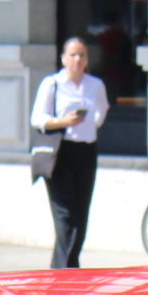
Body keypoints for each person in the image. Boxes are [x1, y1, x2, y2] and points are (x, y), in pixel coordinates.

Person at [30, 36, 108, 269]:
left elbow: (102, 109)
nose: (77, 59)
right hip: (60, 153)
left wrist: (91, 123)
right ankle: (68, 273)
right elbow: (37, 119)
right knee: (65, 217)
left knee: (80, 216)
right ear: (63, 58)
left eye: (82, 55)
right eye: (72, 55)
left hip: (85, 151)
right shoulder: (52, 83)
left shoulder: (95, 85)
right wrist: (62, 121)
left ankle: (60, 271)